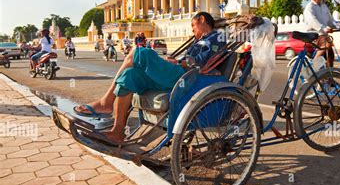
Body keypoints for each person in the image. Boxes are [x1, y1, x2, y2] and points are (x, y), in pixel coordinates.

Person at [73, 12, 226, 143]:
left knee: (140, 52)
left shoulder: (216, 36)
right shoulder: (197, 40)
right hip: (176, 72)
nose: (192, 30)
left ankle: (106, 102)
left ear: (202, 20)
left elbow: (202, 60)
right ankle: (117, 132)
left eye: (193, 25)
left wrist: (179, 61)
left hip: (185, 76)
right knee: (129, 75)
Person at [303, 0, 340, 67]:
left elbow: (331, 21)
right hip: (314, 34)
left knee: (330, 56)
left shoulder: (324, 7)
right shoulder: (310, 7)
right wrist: (323, 28)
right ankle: (312, 66)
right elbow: (312, 21)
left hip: (323, 34)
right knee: (327, 45)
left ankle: (329, 77)